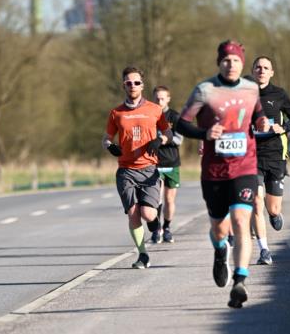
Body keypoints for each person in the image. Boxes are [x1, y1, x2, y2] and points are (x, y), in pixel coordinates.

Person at [177, 40, 261, 308]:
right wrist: (205, 133)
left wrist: (262, 121)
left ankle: (240, 280)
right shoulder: (205, 90)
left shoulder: (252, 89)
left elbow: (258, 115)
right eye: (226, 60)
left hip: (245, 167)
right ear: (219, 63)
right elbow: (182, 123)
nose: (231, 64)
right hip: (214, 172)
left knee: (240, 220)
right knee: (219, 228)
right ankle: (220, 249)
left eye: (236, 60)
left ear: (242, 63)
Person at [102, 66, 172, 268]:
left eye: (136, 82)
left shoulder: (155, 110)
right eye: (128, 83)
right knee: (133, 212)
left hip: (149, 169)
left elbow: (167, 133)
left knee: (148, 214)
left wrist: (160, 140)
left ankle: (154, 221)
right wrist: (110, 147)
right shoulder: (116, 113)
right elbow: (106, 138)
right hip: (126, 170)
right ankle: (142, 255)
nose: (132, 86)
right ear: (123, 85)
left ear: (143, 85)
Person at [250, 56, 290, 266]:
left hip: (275, 155)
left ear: (271, 73)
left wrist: (284, 128)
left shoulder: (278, 94)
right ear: (253, 71)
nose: (261, 70)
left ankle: (274, 215)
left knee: (273, 208)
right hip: (251, 155)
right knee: (256, 201)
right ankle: (264, 250)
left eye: (266, 68)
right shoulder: (244, 94)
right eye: (258, 67)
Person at [151, 85, 183, 244]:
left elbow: (179, 139)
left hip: (172, 162)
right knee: (156, 199)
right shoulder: (148, 116)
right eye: (157, 98)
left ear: (168, 99)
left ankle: (167, 228)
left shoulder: (175, 117)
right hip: (154, 162)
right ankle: (157, 229)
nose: (159, 101)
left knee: (169, 199)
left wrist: (163, 139)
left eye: (162, 98)